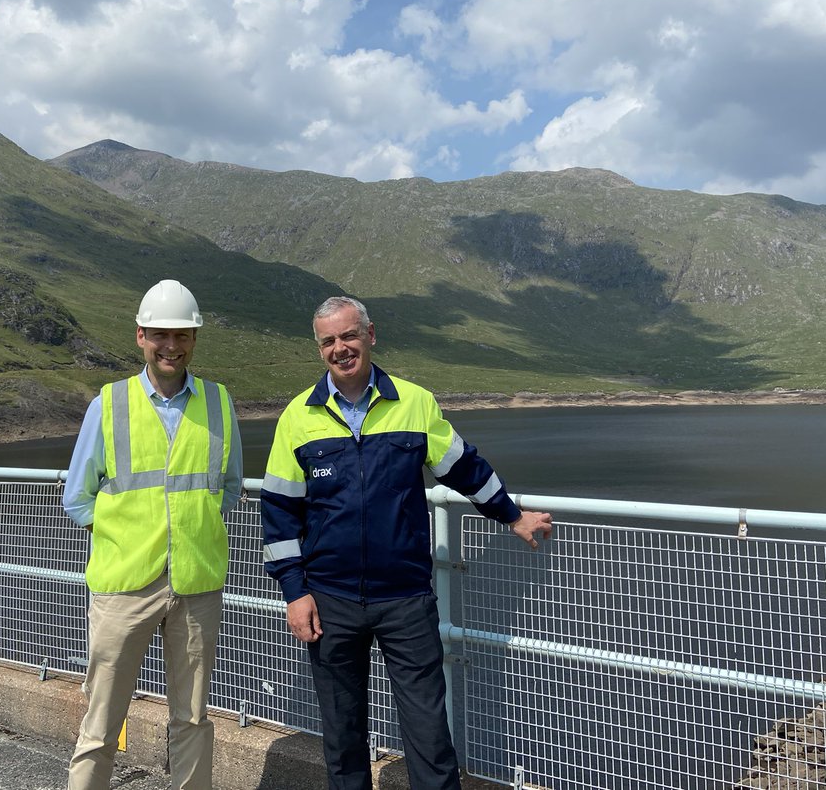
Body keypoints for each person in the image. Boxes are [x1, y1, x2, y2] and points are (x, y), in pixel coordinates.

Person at [260, 296, 552, 790]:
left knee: (429, 737)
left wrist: (511, 515)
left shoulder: (415, 402)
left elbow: (463, 468)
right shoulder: (297, 417)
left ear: (371, 336)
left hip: (406, 599)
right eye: (328, 341)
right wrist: (295, 591)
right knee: (342, 737)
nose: (341, 348)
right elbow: (280, 511)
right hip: (329, 599)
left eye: (349, 336)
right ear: (319, 350)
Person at [62, 278, 243, 790]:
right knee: (101, 722)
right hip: (124, 585)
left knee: (192, 719)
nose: (172, 345)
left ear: (194, 339)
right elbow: (78, 497)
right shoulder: (109, 404)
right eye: (161, 334)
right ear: (140, 336)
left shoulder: (219, 402)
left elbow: (226, 489)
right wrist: (131, 537)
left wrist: (190, 530)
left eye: (182, 334)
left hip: (197, 582)